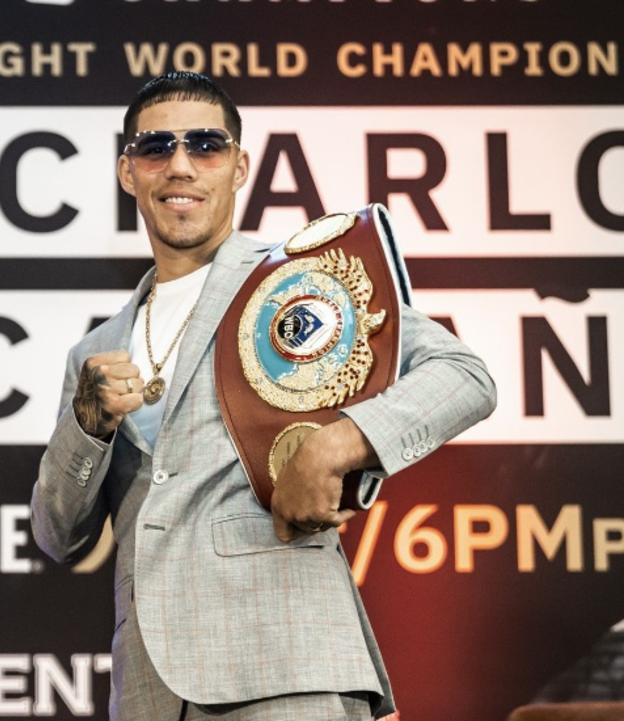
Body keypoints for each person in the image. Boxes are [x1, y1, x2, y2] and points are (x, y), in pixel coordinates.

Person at [30, 71, 497, 721]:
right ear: (128, 171)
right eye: (156, 147)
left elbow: (463, 374)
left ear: (240, 165)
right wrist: (87, 424)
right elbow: (58, 535)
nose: (181, 166)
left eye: (206, 145)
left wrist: (335, 444)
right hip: (150, 693)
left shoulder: (302, 279)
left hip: (285, 665)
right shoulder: (95, 350)